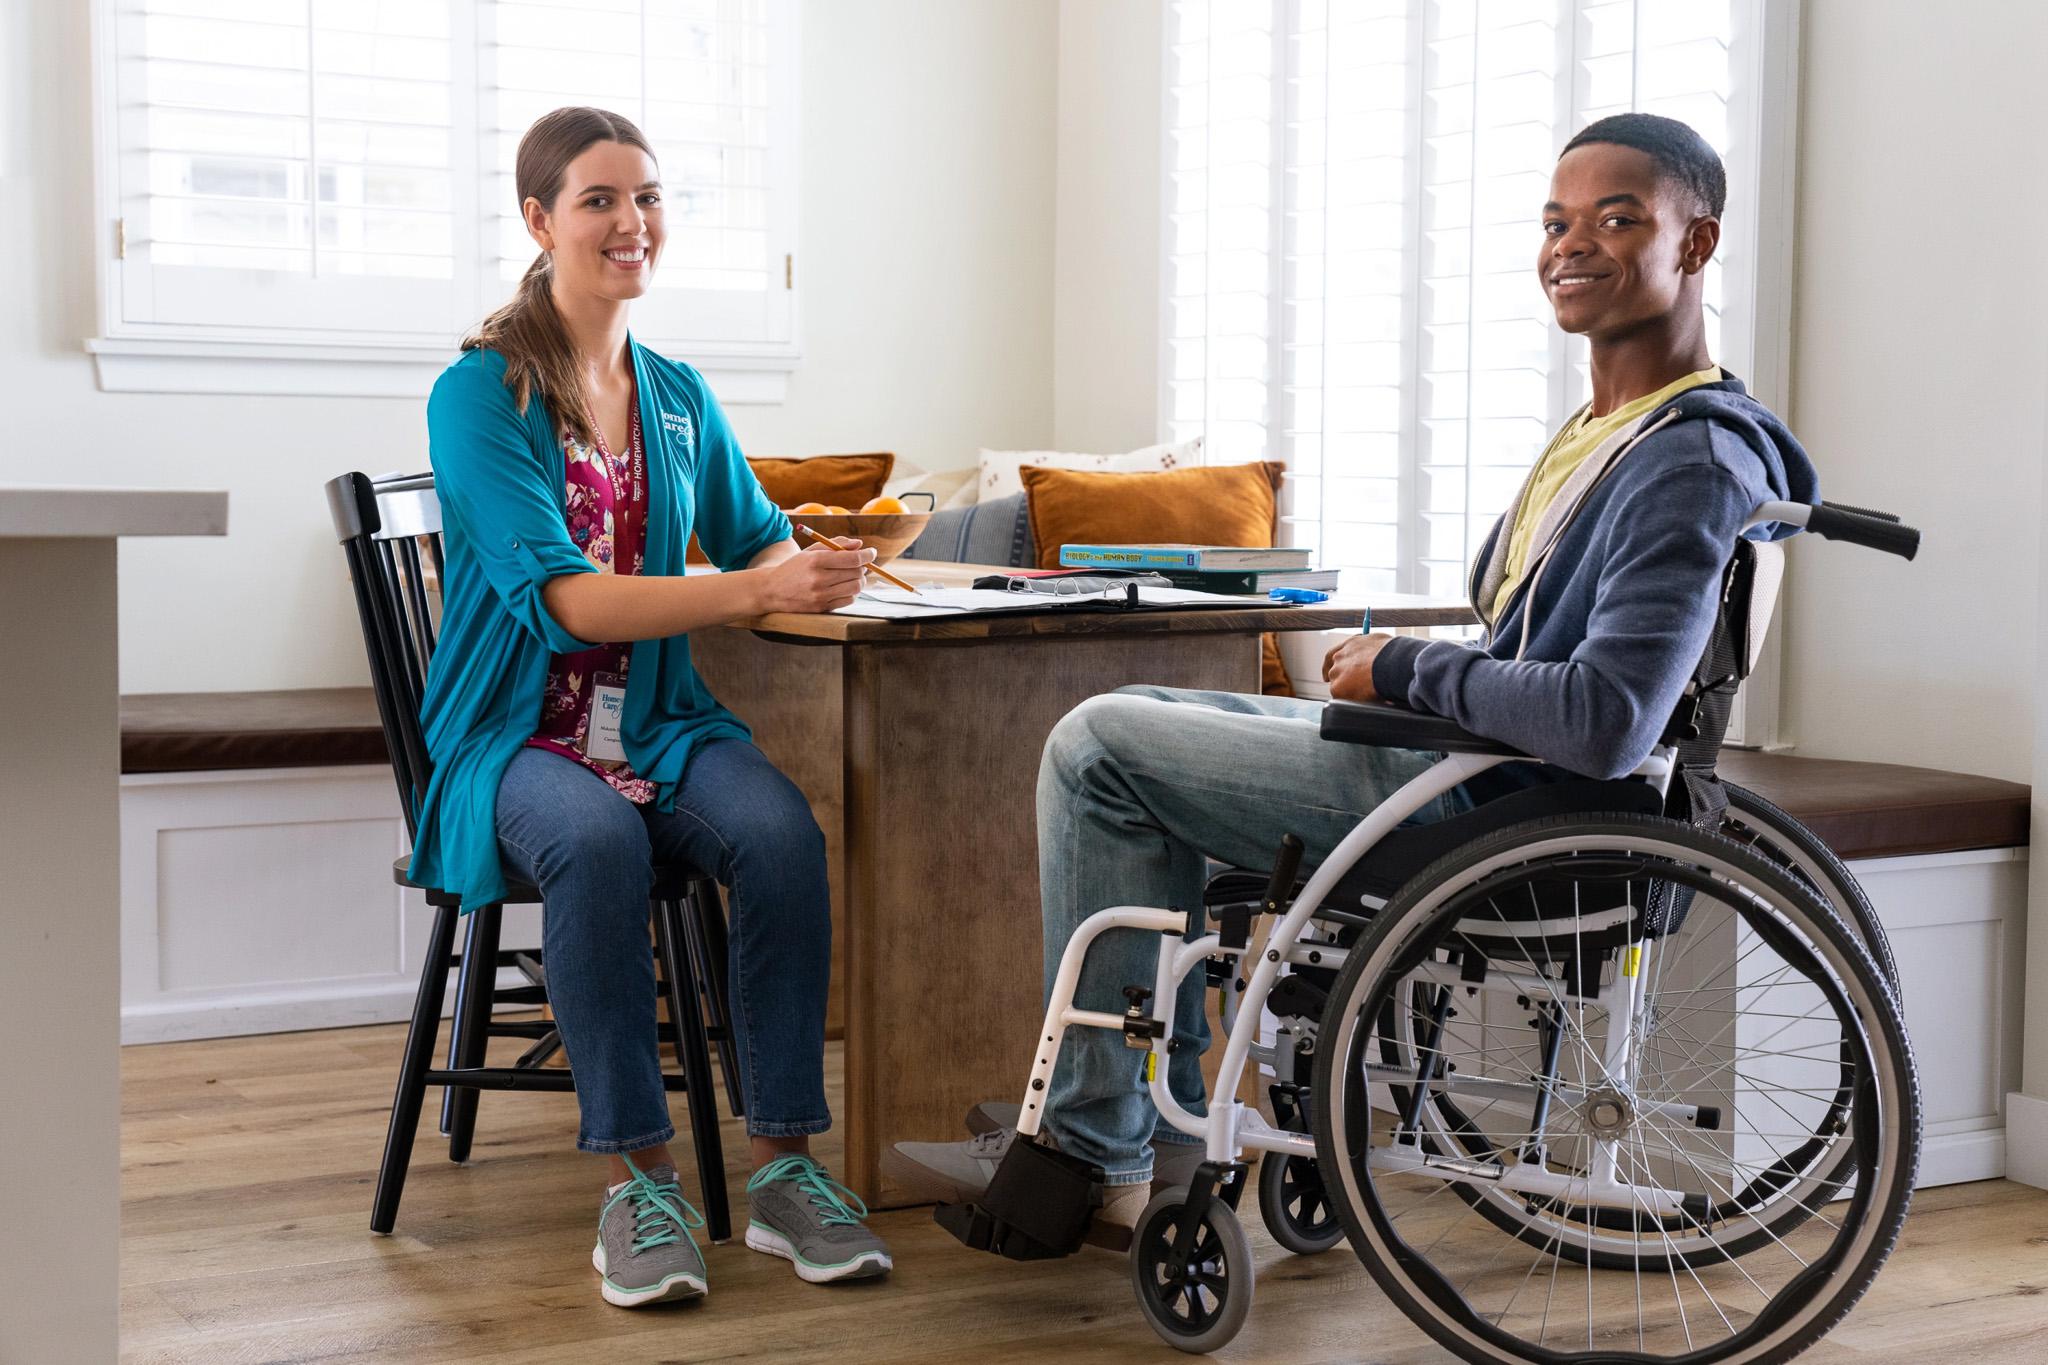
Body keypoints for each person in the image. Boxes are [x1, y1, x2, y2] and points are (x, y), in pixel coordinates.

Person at [885, 112, 1819, 1248]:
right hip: (1468, 767)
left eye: (1618, 218)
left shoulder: (1685, 455)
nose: (1571, 245)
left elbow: (1606, 719)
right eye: (1554, 220)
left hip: (1496, 806)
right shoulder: (1610, 428)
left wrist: (1406, 667)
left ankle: (1089, 1144)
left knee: (1097, 746)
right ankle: (1150, 1131)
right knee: (1152, 725)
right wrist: (1403, 680)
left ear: (1697, 242)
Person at [416, 106, 891, 1306]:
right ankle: (640, 1181)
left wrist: (824, 563)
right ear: (538, 220)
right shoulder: (478, 397)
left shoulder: (674, 393)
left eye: (648, 198)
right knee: (594, 842)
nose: (632, 224)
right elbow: (567, 603)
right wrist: (751, 586)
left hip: (663, 731)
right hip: (513, 736)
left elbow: (752, 538)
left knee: (781, 837)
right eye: (598, 201)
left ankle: (786, 1169)